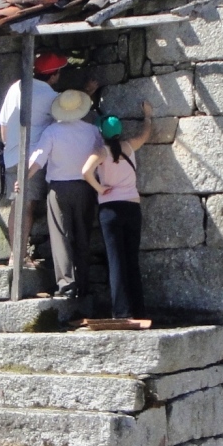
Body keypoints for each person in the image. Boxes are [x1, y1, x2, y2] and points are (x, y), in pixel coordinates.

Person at [27, 89, 103, 299]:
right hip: (86, 187)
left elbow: (38, 159)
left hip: (59, 189)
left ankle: (66, 285)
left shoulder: (52, 131)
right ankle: (84, 285)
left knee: (60, 236)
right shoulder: (93, 131)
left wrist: (23, 178)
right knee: (83, 236)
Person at [81, 100, 153, 319]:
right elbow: (145, 134)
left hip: (110, 209)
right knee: (132, 260)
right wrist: (147, 116)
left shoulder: (101, 152)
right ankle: (139, 310)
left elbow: (85, 171)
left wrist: (100, 189)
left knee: (116, 261)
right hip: (132, 207)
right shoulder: (130, 146)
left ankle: (121, 312)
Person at [0, 50, 68, 266]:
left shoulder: (16, 87)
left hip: (11, 155)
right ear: (53, 75)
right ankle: (18, 256)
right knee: (25, 206)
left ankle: (16, 253)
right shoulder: (51, 97)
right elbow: (65, 119)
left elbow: (3, 125)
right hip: (31, 159)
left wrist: (10, 147)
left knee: (17, 203)